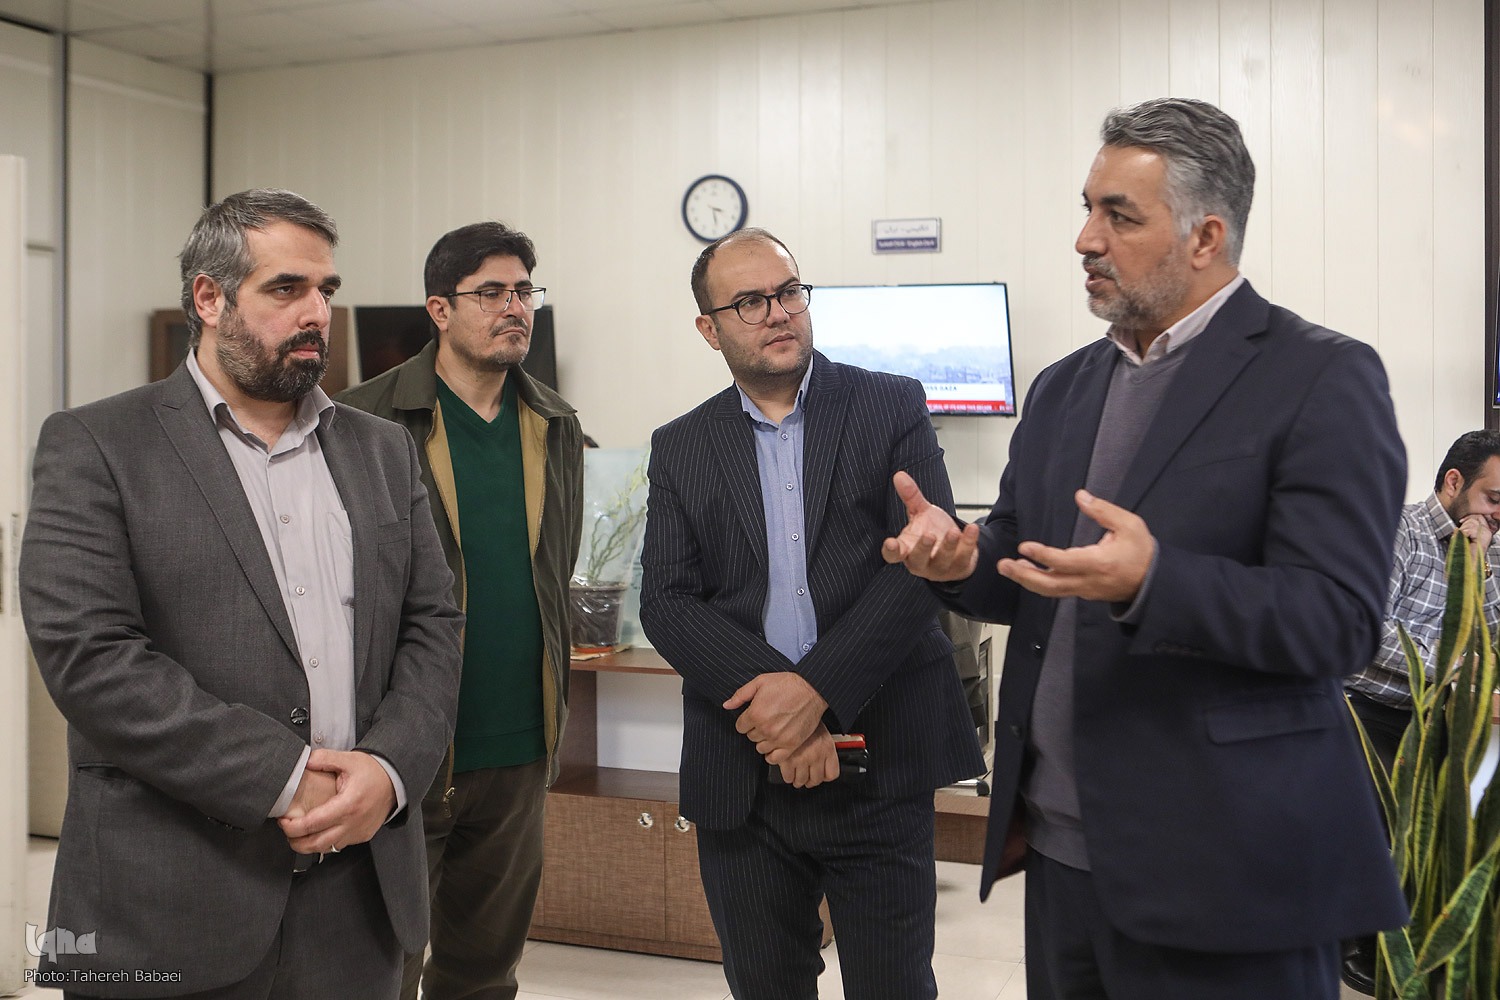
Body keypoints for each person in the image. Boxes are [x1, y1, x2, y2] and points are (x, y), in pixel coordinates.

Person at [882, 98, 1409, 1000]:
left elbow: (1341, 621)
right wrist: (964, 561)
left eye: (1120, 216)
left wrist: (1154, 582)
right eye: (1088, 208)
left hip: (1229, 871)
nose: (1086, 239)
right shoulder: (1064, 387)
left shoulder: (1320, 376)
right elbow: (1026, 559)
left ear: (1206, 237)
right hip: (1061, 857)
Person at [20, 188, 464, 999]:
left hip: (358, 901)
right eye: (286, 288)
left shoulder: (383, 450)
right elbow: (91, 658)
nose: (317, 313)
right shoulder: (96, 446)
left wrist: (390, 768)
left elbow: (432, 623)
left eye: (326, 289)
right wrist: (284, 775)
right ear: (208, 297)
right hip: (170, 898)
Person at [639, 228, 984, 1000]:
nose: (777, 312)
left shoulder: (889, 405)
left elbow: (918, 569)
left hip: (880, 761)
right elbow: (666, 600)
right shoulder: (682, 445)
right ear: (710, 329)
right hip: (743, 776)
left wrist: (815, 693)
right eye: (749, 301)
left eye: (789, 292)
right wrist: (781, 707)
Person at [337, 221, 583, 1000]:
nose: (515, 307)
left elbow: (554, 574)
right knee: (378, 972)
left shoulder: (555, 423)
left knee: (483, 975)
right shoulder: (360, 420)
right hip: (398, 749)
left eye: (524, 291)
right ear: (440, 310)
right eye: (492, 293)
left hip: (517, 749)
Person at [1340, 429, 1500, 993]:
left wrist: (1480, 569)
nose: (1499, 513)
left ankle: (1434, 935)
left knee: (1460, 817)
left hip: (1437, 714)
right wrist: (1453, 662)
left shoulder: (1489, 543)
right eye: (1493, 497)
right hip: (1366, 707)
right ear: (1454, 482)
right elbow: (1367, 630)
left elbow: (1493, 633)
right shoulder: (1397, 532)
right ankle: (1362, 942)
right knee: (1393, 821)